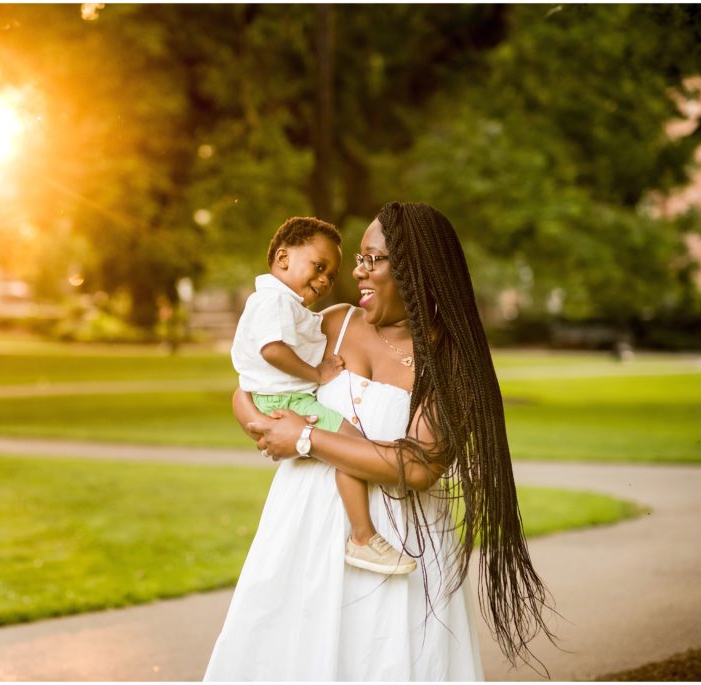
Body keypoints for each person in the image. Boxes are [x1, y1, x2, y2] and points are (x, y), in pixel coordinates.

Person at [204, 202, 552, 681]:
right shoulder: (333, 323)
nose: (358, 272)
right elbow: (253, 383)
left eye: (374, 259)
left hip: (395, 549)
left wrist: (305, 437)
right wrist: (257, 423)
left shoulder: (450, 363)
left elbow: (418, 465)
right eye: (360, 259)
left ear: (415, 269)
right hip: (301, 536)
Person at [231, 216, 416, 575]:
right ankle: (363, 537)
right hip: (289, 410)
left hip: (285, 403)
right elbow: (269, 353)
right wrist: (313, 378)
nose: (326, 280)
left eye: (331, 275)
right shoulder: (275, 304)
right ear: (283, 258)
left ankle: (362, 535)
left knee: (347, 446)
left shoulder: (295, 313)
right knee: (352, 446)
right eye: (319, 267)